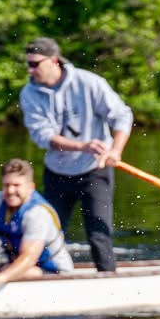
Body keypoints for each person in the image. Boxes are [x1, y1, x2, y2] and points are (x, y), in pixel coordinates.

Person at [19, 37, 132, 273]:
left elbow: (122, 116)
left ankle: (109, 279)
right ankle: (46, 276)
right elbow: (44, 137)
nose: (30, 70)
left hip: (95, 169)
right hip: (57, 173)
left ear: (53, 61)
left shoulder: (90, 83)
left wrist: (116, 151)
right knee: (49, 233)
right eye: (28, 64)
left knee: (98, 234)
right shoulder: (29, 93)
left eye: (35, 64)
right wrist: (82, 146)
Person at [0, 158, 74, 288]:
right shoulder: (2, 199)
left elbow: (29, 258)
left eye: (16, 185)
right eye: (6, 185)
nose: (10, 191)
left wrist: (0, 278)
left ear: (30, 187)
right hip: (26, 268)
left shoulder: (36, 214)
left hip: (56, 273)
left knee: (6, 270)